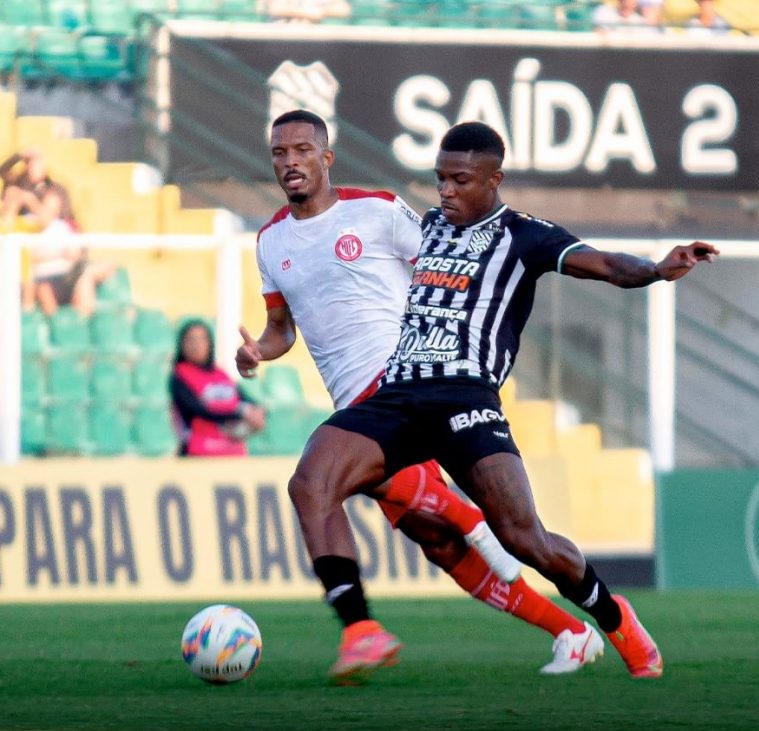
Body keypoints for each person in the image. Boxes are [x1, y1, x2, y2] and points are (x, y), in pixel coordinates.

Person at [281, 120, 720, 684]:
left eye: (460, 180)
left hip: (465, 396)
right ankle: (360, 630)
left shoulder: (525, 235)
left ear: (494, 180)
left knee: (523, 537)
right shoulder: (430, 226)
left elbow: (607, 264)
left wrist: (658, 269)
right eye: (440, 179)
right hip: (399, 391)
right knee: (311, 482)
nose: (445, 192)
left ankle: (615, 619)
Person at [236, 110, 604, 683]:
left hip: (407, 380)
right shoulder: (270, 241)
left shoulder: (378, 211)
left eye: (302, 150)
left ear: (326, 158)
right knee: (436, 544)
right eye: (280, 153)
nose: (290, 161)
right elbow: (282, 328)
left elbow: (444, 259)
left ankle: (455, 548)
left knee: (349, 484)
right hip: (353, 403)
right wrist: (259, 350)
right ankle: (569, 630)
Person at [1, 147, 115, 316]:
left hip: (64, 265)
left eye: (36, 163)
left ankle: (77, 325)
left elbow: (55, 221)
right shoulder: (20, 187)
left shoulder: (55, 190)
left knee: (91, 273)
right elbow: (3, 172)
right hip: (37, 267)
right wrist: (19, 156)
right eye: (30, 164)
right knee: (39, 287)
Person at [172, 318, 265, 456]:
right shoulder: (179, 375)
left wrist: (257, 413)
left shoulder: (220, 374)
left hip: (232, 452)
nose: (196, 345)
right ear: (182, 344)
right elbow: (198, 410)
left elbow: (247, 401)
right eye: (190, 340)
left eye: (201, 339)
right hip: (197, 454)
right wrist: (240, 412)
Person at [592, 0, 659, 33]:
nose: (626, 3)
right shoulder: (604, 12)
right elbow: (597, 31)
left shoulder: (641, 23)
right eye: (623, 0)